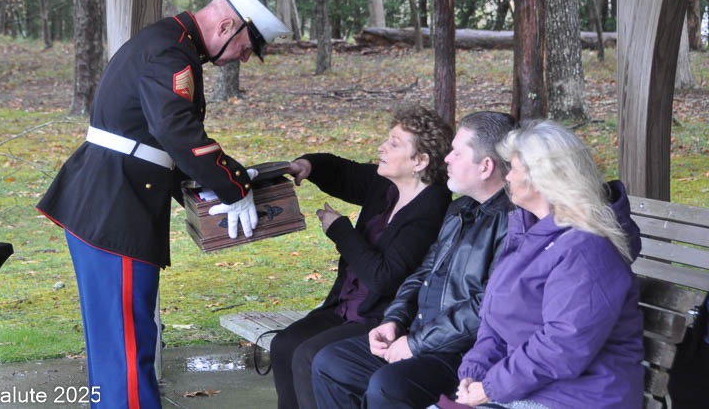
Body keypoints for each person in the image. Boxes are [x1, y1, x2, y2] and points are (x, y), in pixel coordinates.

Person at [36, 0, 290, 408]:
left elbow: (156, 141)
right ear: (226, 26)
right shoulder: (172, 53)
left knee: (114, 347)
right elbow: (175, 131)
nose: (245, 58)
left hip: (109, 201)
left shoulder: (170, 42)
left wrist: (212, 184)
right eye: (248, 47)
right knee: (127, 351)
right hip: (116, 208)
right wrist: (233, 186)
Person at [311, 111, 517, 409]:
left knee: (388, 386)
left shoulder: (514, 222)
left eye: (457, 153)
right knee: (332, 363)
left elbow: (487, 307)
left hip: (465, 352)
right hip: (423, 335)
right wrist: (395, 320)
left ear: (486, 166)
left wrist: (416, 344)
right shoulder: (460, 209)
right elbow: (423, 273)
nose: (447, 159)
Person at [269, 104, 454, 409]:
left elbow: (384, 279)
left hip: (383, 319)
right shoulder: (387, 186)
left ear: (420, 161)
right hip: (344, 308)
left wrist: (340, 230)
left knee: (308, 356)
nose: (382, 147)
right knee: (283, 345)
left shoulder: (431, 209)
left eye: (394, 144)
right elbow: (345, 172)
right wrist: (308, 165)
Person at [454, 120, 644, 409]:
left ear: (541, 178)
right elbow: (496, 321)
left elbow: (563, 344)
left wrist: (492, 387)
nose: (507, 177)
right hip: (530, 387)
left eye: (513, 168)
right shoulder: (530, 233)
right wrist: (475, 371)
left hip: (578, 397)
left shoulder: (587, 249)